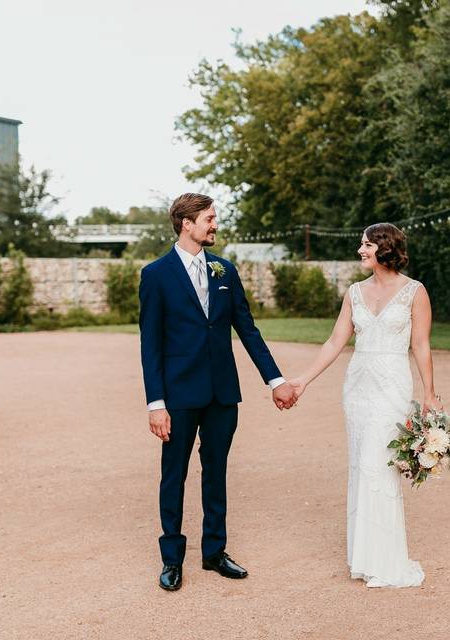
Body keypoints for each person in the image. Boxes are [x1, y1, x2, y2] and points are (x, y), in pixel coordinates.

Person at [138, 193, 298, 592]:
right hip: (177, 396)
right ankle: (172, 559)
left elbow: (246, 328)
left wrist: (275, 380)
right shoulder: (155, 275)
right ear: (186, 223)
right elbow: (150, 345)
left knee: (217, 471)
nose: (215, 225)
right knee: (173, 475)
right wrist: (156, 404)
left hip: (223, 393)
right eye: (209, 219)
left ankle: (214, 552)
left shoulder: (224, 270)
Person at [287, 223, 438, 588]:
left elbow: (421, 345)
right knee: (361, 464)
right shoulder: (354, 293)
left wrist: (430, 394)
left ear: (384, 248)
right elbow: (335, 342)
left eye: (366, 244)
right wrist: (303, 380)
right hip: (358, 386)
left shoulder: (415, 291)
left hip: (392, 385)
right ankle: (365, 558)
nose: (361, 250)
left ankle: (386, 561)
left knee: (378, 464)